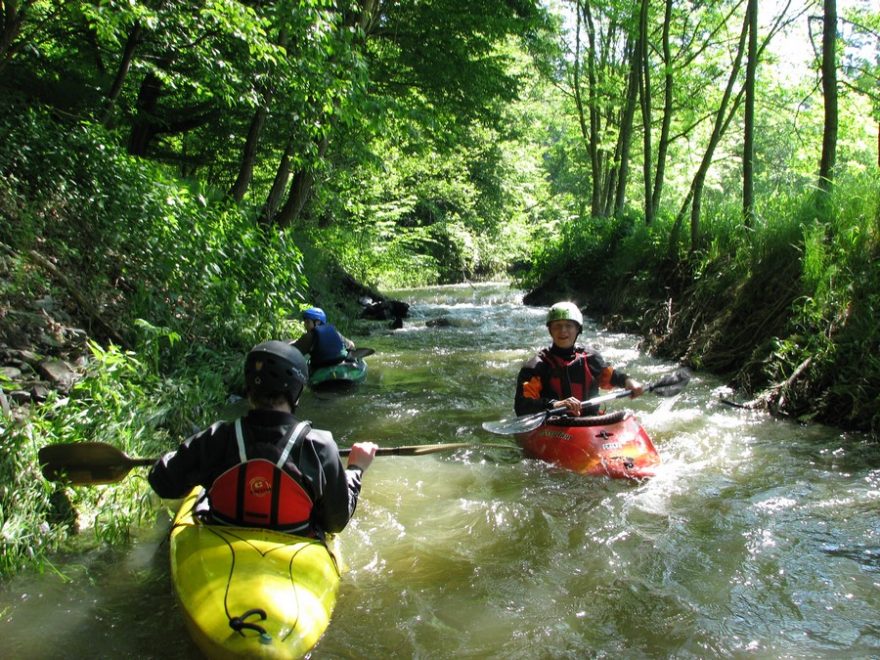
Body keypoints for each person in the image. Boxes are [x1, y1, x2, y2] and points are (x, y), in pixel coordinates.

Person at [148, 340, 378, 536]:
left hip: (222, 538)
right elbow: (335, 523)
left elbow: (163, 483)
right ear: (296, 391)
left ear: (249, 389)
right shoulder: (320, 446)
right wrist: (355, 469)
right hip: (294, 545)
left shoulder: (216, 437)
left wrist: (175, 457)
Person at [514, 301, 644, 417]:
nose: (563, 330)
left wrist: (628, 381)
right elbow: (522, 406)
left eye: (569, 325)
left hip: (590, 423)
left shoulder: (591, 358)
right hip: (553, 424)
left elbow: (612, 377)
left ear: (578, 329)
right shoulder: (536, 366)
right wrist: (556, 404)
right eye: (557, 326)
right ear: (550, 330)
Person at [291, 307, 356, 370]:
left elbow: (292, 352)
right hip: (339, 365)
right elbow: (351, 345)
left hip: (319, 369)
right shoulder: (334, 332)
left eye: (308, 322)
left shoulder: (310, 336)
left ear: (317, 322)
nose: (305, 325)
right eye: (305, 322)